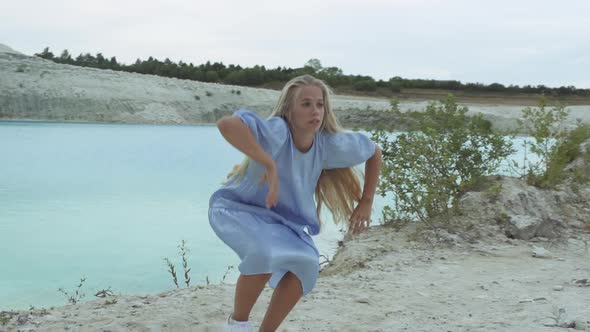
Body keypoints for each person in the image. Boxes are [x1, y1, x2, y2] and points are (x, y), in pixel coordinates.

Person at [209, 74, 382, 332]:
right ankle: (237, 323)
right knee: (264, 251)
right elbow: (227, 124)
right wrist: (267, 162)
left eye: (320, 104)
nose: (315, 111)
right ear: (289, 109)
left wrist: (366, 201)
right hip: (236, 209)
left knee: (307, 264)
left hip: (281, 221)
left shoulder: (328, 144)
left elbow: (374, 150)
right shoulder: (278, 131)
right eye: (306, 104)